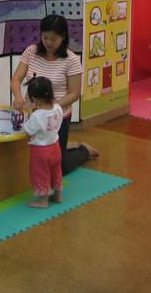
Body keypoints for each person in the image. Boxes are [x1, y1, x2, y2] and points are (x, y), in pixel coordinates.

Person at [11, 14, 99, 175]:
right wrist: (18, 97)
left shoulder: (71, 60)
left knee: (58, 167)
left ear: (63, 37)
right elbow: (16, 78)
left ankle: (84, 151)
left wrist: (50, 108)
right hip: (31, 113)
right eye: (45, 38)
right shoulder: (31, 51)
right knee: (30, 156)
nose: (49, 42)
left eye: (53, 39)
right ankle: (65, 146)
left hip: (57, 117)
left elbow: (74, 94)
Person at [21, 77, 64, 209]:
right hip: (55, 146)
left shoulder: (37, 115)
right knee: (56, 170)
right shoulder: (58, 108)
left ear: (35, 98)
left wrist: (29, 116)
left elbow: (28, 132)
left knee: (40, 174)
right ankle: (58, 195)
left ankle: (43, 201)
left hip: (41, 151)